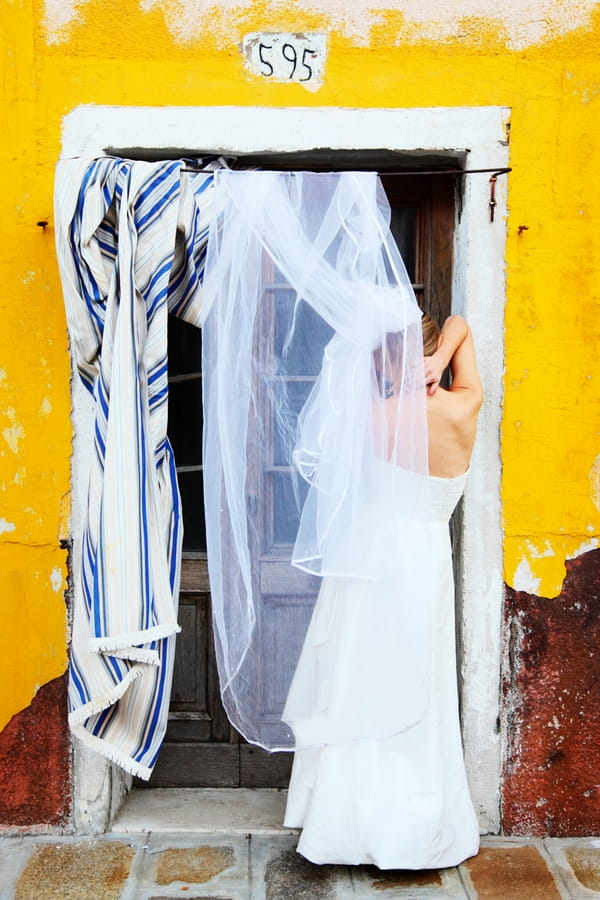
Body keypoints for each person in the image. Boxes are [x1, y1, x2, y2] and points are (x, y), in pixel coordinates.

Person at [282, 311, 483, 870]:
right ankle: (420, 827)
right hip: (427, 563)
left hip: (373, 565)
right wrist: (442, 358)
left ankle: (352, 821)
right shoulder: (466, 405)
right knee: (423, 686)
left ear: (385, 361)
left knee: (360, 683)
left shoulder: (372, 418)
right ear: (430, 356)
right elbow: (461, 322)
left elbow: (328, 437)